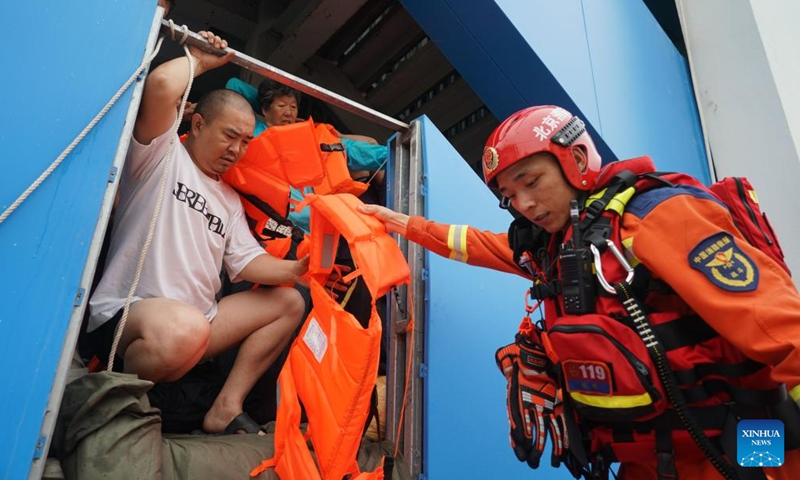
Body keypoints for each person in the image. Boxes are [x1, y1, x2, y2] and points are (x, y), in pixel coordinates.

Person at [360, 105, 800, 479]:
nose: (524, 205)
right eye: (510, 195)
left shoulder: (659, 217)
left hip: (738, 454)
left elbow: (783, 328)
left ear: (575, 158)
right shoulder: (557, 248)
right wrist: (401, 223)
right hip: (647, 462)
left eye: (531, 182)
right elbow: (479, 245)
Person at [84, 31, 308, 436]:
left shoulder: (230, 199)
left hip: (198, 326)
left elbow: (248, 262)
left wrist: (301, 268)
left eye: (245, 142)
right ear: (199, 124)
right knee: (185, 330)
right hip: (131, 316)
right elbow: (161, 86)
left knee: (291, 302)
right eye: (228, 136)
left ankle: (225, 406)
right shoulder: (159, 152)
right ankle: (116, 393)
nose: (236, 150)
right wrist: (200, 59)